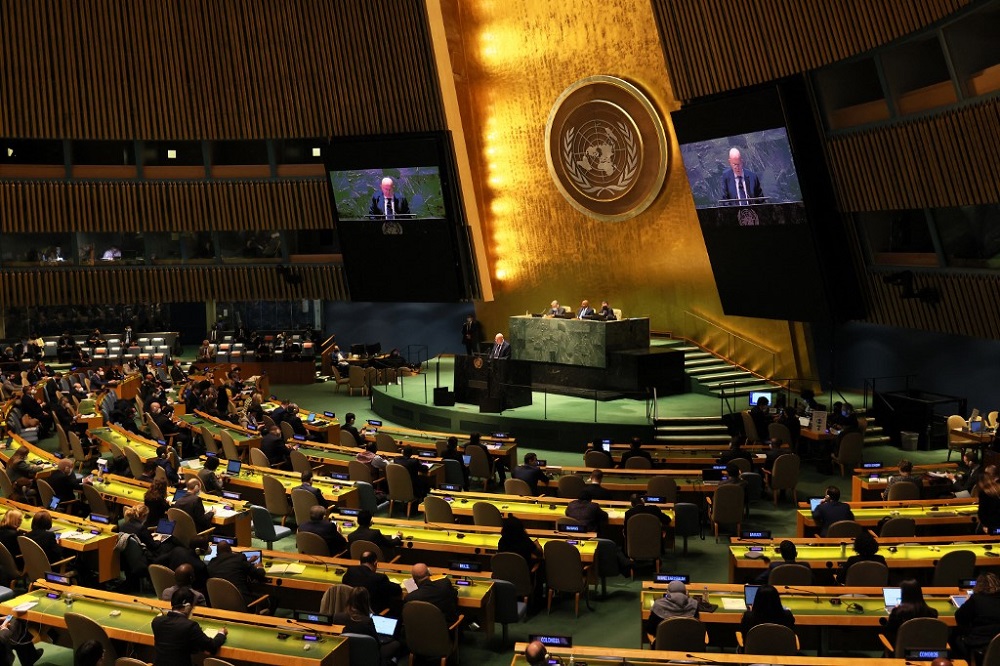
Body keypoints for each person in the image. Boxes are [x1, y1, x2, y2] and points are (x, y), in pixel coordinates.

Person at [151, 587, 227, 665]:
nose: (192, 609)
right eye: (192, 607)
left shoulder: (156, 621)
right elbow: (211, 647)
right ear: (187, 606)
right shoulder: (190, 626)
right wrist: (221, 633)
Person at [333, 586, 403, 665]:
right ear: (366, 602)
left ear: (349, 599)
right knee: (396, 644)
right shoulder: (367, 621)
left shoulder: (337, 617)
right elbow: (376, 644)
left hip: (344, 654)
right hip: (368, 654)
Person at [954, 572, 1000, 659]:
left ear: (978, 585)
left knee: (954, 636)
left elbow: (959, 617)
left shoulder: (976, 599)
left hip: (978, 643)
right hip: (997, 644)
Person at [206, 541, 266, 607]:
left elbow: (229, 567)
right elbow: (260, 574)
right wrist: (259, 567)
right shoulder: (239, 559)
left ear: (217, 553)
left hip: (220, 603)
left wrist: (248, 562)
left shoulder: (211, 564)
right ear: (231, 551)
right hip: (242, 602)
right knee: (271, 600)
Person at [884, 579, 938, 644]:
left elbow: (889, 633)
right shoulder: (933, 613)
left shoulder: (897, 613)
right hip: (927, 650)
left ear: (903, 595)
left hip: (902, 650)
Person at [976, 465, 1000, 532]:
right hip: (996, 525)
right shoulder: (997, 488)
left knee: (978, 531)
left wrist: (985, 526)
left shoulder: (984, 493)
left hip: (992, 526)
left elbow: (982, 513)